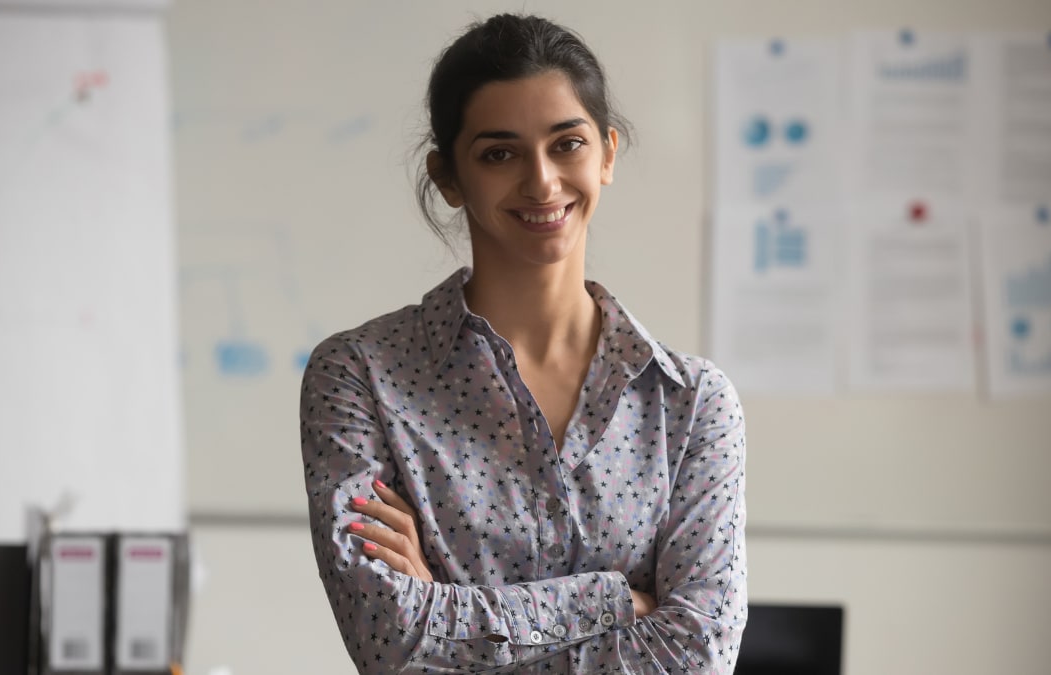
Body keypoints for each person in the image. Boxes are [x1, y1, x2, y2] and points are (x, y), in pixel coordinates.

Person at [300, 13, 747, 673]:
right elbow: (390, 640)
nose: (541, 181)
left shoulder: (692, 403)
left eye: (567, 144)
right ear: (449, 177)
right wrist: (616, 602)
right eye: (499, 154)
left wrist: (445, 609)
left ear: (607, 154)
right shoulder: (359, 376)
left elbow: (698, 655)